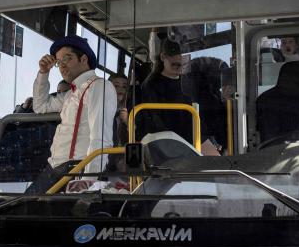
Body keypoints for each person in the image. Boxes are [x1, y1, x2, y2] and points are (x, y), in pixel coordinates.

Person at [27, 35, 117, 192]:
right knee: (19, 209)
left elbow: (100, 139)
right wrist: (43, 73)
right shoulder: (70, 94)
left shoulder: (100, 86)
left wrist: (87, 183)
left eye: (67, 59)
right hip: (56, 168)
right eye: (59, 62)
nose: (62, 67)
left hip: (76, 168)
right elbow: (40, 105)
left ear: (83, 59)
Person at [137, 39, 194, 144]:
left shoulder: (188, 84)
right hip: (164, 141)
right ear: (163, 57)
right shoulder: (151, 85)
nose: (179, 67)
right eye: (175, 64)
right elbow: (153, 119)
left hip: (190, 141)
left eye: (183, 64)